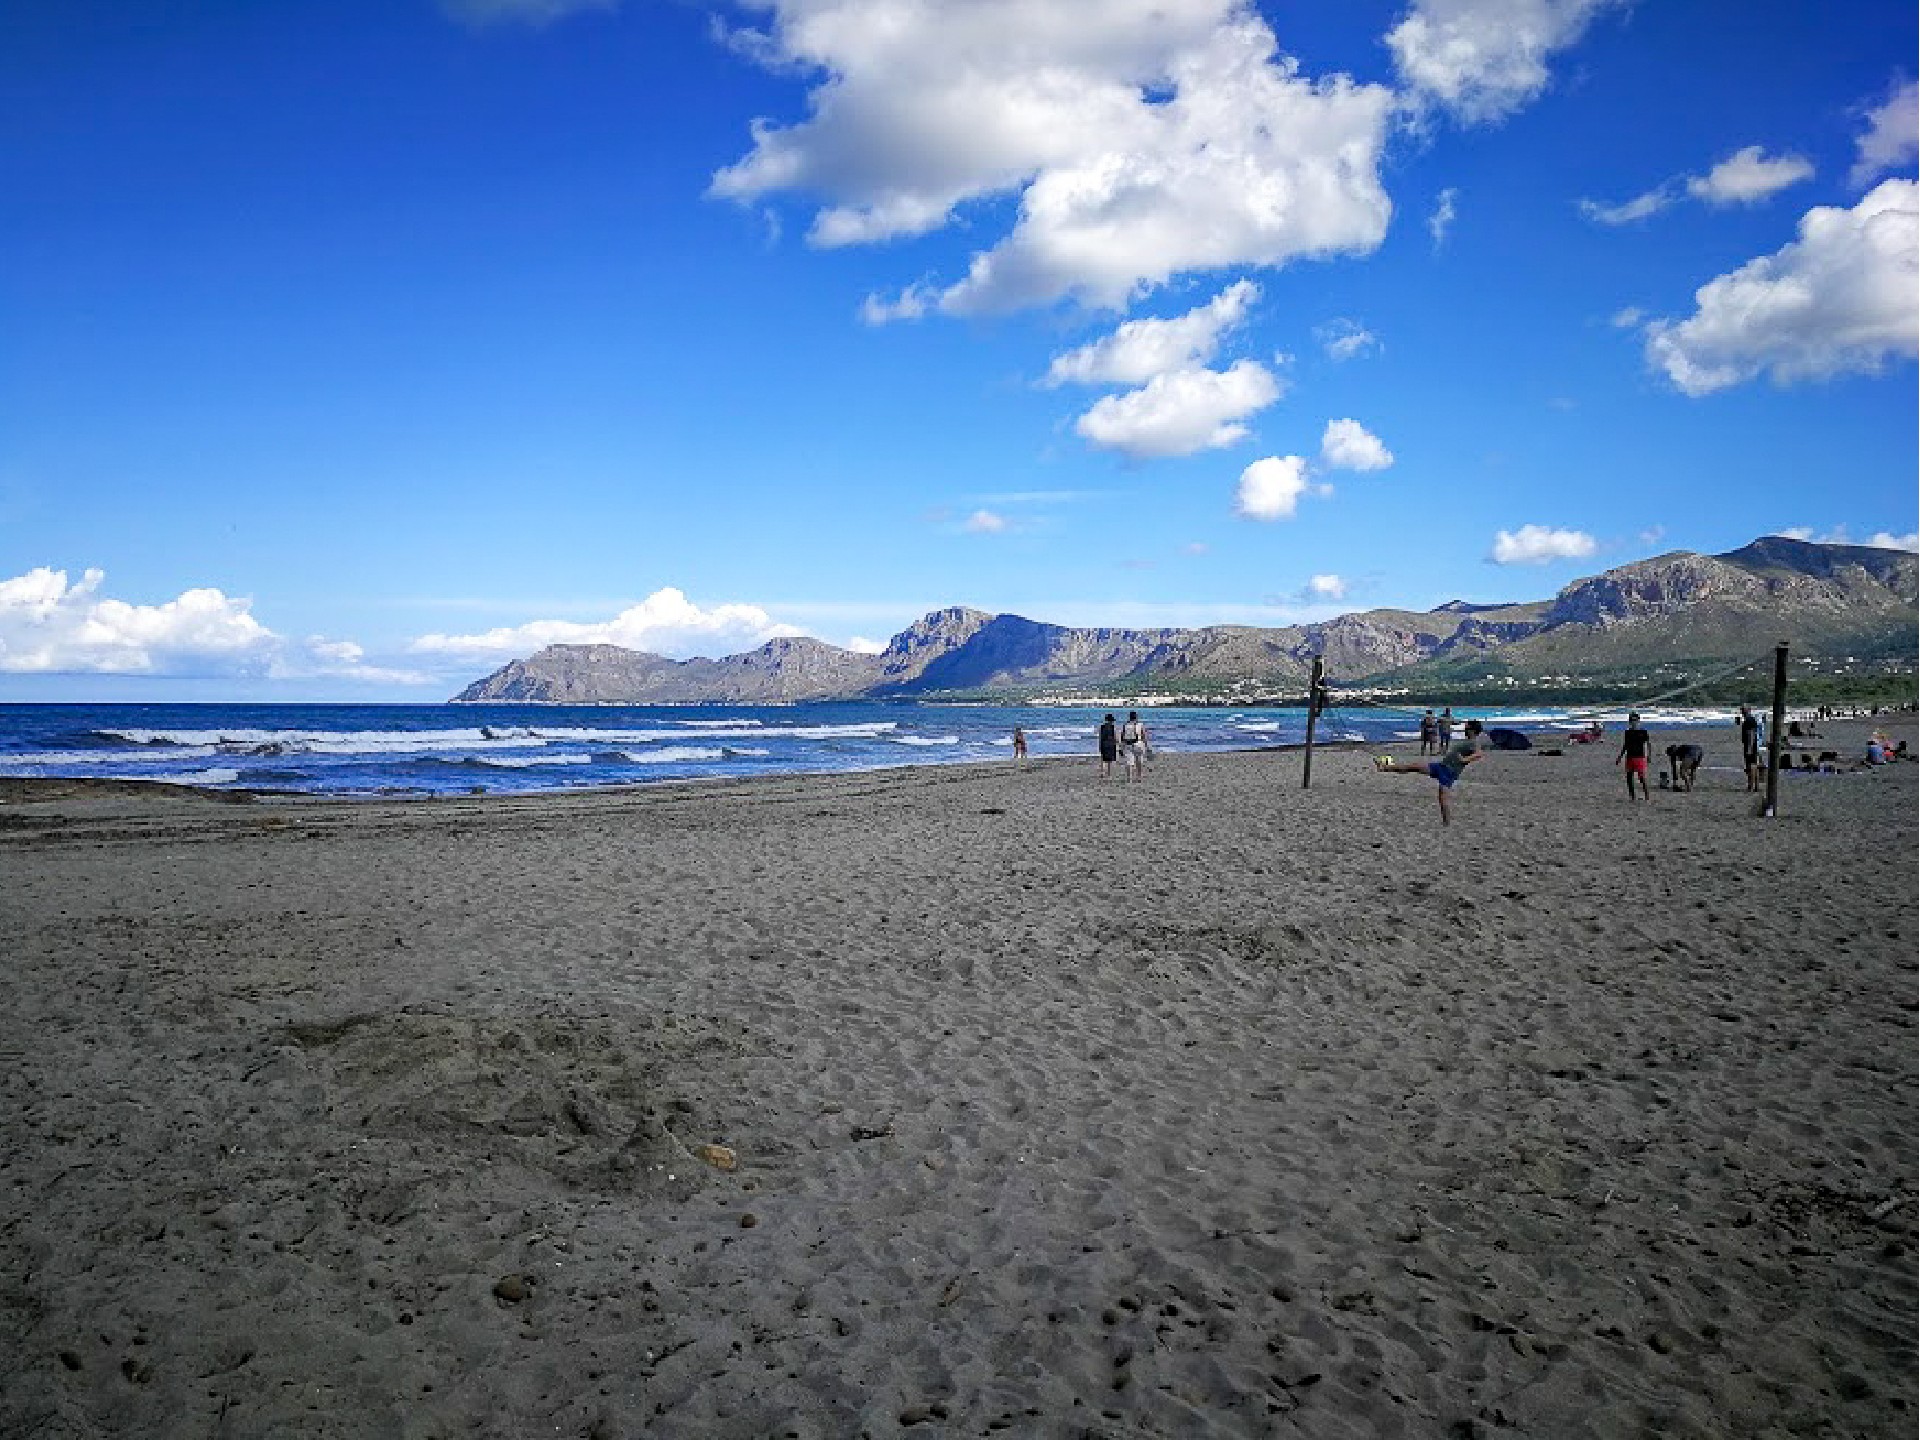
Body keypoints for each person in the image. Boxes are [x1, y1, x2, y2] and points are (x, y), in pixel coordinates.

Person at [1374, 718, 1489, 827]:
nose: (1464, 729)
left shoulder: (1473, 742)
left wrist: (1465, 760)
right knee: (1412, 767)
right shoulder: (1468, 740)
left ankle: (1447, 823)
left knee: (1442, 798)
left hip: (1449, 772)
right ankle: (1384, 767)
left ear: (1472, 730)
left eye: (1466, 727)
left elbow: (1479, 754)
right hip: (1441, 766)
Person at [1616, 712, 1653, 801]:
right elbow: (1625, 745)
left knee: (1642, 778)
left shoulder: (1643, 732)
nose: (1633, 722)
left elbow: (1648, 744)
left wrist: (1649, 755)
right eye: (1631, 720)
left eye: (1635, 720)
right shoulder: (1627, 732)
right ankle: (1632, 797)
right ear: (1629, 722)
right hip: (1630, 757)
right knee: (1629, 778)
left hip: (1640, 757)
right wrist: (1620, 757)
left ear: (1638, 721)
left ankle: (1647, 797)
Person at [1119, 711, 1150, 782]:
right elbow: (1144, 735)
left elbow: (1122, 736)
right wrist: (1146, 745)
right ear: (1136, 717)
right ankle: (1139, 777)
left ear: (1129, 717)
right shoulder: (1140, 724)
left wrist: (1121, 747)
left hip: (1128, 744)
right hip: (1138, 744)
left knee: (1129, 762)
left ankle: (1129, 778)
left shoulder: (1125, 725)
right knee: (1139, 761)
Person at [1738, 705, 1762, 792]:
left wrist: (1749, 748)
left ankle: (1751, 785)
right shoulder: (1750, 720)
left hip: (1750, 745)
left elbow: (1751, 734)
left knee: (1750, 766)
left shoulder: (1749, 721)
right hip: (1753, 745)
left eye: (1743, 710)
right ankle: (1756, 786)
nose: (1742, 712)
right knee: (1754, 765)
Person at [1097, 713, 1118, 779]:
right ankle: (1109, 774)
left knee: (1103, 759)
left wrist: (1100, 745)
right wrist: (1117, 743)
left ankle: (1102, 772)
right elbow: (1115, 736)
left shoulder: (1102, 727)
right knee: (1110, 761)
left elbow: (1100, 737)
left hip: (1104, 744)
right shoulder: (1113, 727)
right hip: (1111, 744)